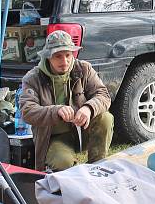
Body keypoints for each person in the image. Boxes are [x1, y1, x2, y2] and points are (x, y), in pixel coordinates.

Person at [20, 30, 114, 172]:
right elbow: (27, 111)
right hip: (54, 137)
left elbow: (103, 95)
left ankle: (97, 167)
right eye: (58, 56)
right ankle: (73, 177)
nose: (64, 61)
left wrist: (88, 108)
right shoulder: (32, 78)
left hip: (82, 130)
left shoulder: (83, 68)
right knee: (63, 163)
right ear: (48, 57)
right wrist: (55, 110)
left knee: (105, 117)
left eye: (68, 55)